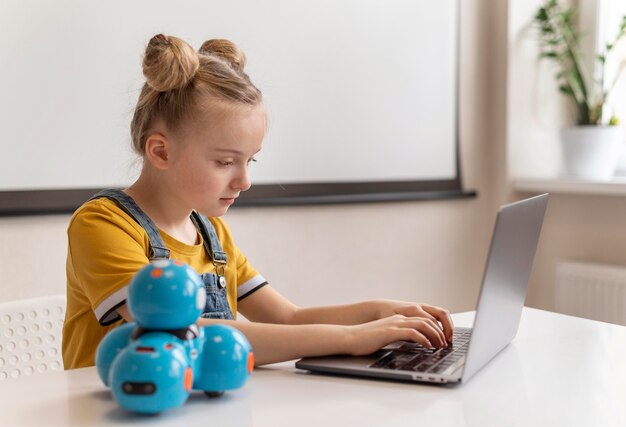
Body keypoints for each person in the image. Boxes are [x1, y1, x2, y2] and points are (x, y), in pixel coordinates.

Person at [62, 34, 454, 370]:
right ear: (161, 152)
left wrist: (378, 312)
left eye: (250, 161)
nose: (244, 180)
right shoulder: (102, 225)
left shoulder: (212, 233)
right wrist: (350, 338)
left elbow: (288, 318)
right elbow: (179, 331)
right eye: (225, 162)